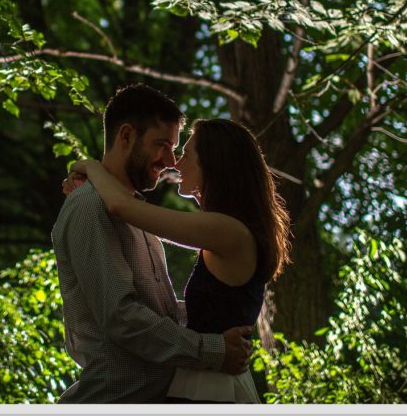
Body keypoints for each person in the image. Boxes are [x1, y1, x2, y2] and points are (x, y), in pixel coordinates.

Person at [50, 84, 254, 403]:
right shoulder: (89, 206)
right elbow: (122, 317)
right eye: (162, 144)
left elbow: (159, 314)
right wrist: (212, 350)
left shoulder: (138, 217)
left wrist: (218, 320)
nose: (171, 160)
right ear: (127, 136)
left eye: (176, 149)